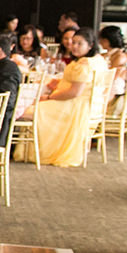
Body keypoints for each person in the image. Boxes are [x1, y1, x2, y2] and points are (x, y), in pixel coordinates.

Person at [20, 27, 108, 167]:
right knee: (34, 106)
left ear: (90, 45)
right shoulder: (98, 60)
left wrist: (50, 97)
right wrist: (60, 83)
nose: (74, 46)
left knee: (30, 110)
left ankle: (35, 151)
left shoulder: (85, 65)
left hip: (74, 106)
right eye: (74, 43)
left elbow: (74, 92)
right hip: (87, 105)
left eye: (80, 44)